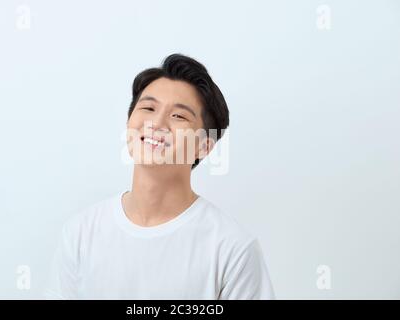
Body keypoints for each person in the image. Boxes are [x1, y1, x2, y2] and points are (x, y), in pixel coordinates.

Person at [44, 53, 275, 299]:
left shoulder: (233, 250)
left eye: (179, 116)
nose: (156, 123)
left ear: (204, 146)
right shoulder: (80, 233)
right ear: (129, 122)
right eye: (148, 108)